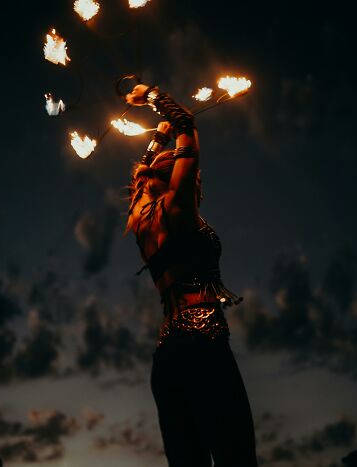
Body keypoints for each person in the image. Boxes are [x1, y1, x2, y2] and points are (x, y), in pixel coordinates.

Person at [124, 83, 258, 467]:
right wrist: (151, 95)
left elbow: (142, 173)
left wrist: (158, 135)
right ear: (180, 177)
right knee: (237, 458)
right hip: (204, 341)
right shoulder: (178, 208)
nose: (198, 183)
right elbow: (188, 125)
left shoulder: (142, 217)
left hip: (167, 357)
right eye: (192, 176)